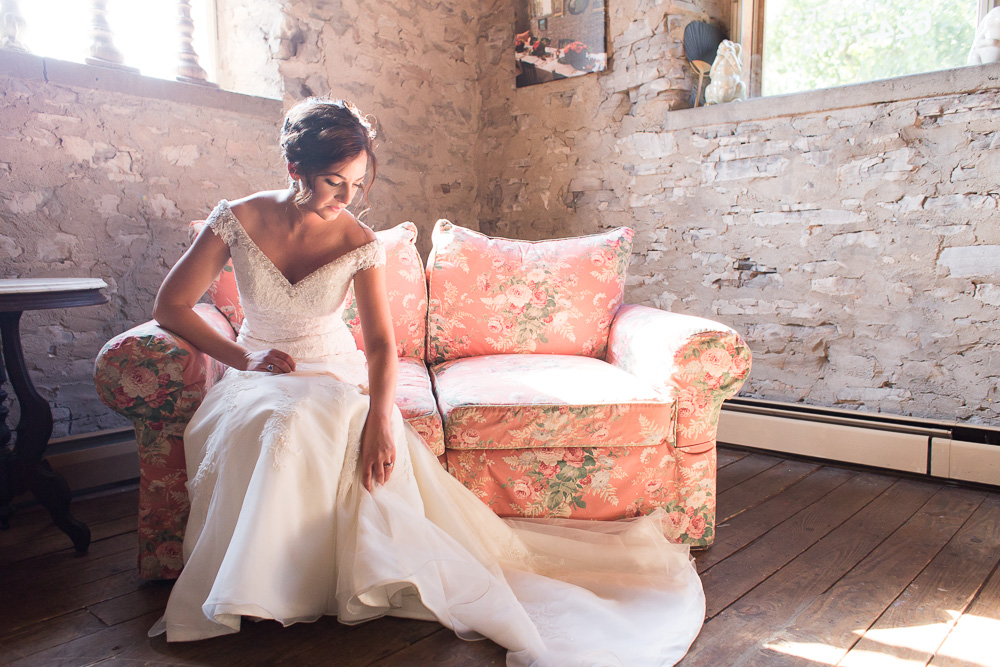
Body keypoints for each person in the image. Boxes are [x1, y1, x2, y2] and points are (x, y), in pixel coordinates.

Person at [148, 97, 705, 666]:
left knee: (317, 419)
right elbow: (172, 305)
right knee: (272, 419)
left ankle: (314, 582)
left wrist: (382, 425)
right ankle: (264, 584)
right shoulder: (237, 219)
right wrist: (243, 356)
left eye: (357, 186)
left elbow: (384, 345)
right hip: (261, 369)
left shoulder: (357, 242)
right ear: (295, 169)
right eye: (332, 183)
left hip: (334, 369)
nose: (345, 200)